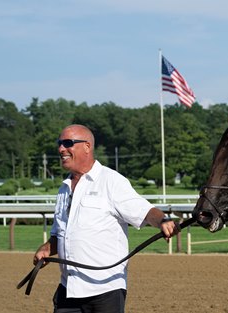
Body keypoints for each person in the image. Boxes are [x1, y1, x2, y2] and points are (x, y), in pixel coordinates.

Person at [33, 124, 180, 313]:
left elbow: (143, 210)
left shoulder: (111, 181)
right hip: (68, 289)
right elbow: (60, 235)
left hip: (105, 291)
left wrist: (162, 220)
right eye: (59, 143)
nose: (61, 149)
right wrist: (46, 249)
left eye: (67, 143)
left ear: (87, 146)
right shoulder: (63, 189)